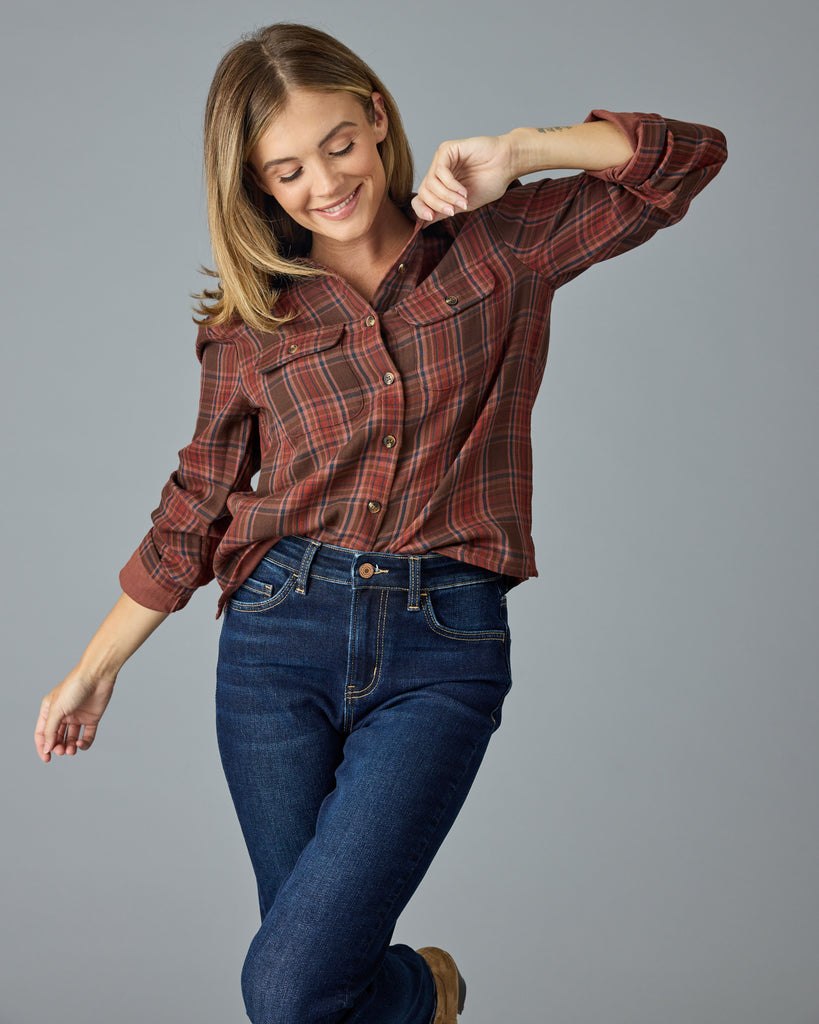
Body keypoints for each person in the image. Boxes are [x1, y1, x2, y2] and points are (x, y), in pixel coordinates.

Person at [33, 21, 727, 1024]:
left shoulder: (500, 244)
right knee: (310, 1004)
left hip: (442, 646)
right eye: (286, 171)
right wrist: (94, 668)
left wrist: (526, 148)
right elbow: (198, 503)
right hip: (277, 645)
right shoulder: (254, 319)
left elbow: (688, 160)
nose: (324, 182)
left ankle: (426, 989)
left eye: (338, 144)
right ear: (258, 189)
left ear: (377, 116)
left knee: (292, 987)